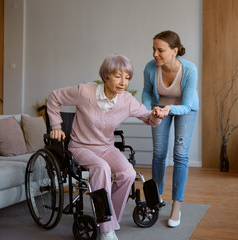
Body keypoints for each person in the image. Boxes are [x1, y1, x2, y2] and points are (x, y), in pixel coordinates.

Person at [47, 54, 162, 240]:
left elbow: (149, 118)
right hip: (81, 147)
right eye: (118, 76)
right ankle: (107, 229)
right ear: (106, 75)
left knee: (128, 173)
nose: (123, 82)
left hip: (106, 148)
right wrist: (56, 126)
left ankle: (108, 218)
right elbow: (54, 97)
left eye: (127, 78)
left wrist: (156, 115)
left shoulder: (126, 100)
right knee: (101, 168)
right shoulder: (84, 91)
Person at [142, 30, 199, 228]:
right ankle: (156, 199)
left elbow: (188, 104)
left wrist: (170, 109)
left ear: (174, 51)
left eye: (160, 50)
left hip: (185, 108)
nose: (155, 54)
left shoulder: (189, 69)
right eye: (153, 50)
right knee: (159, 153)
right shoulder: (150, 68)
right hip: (160, 108)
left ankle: (177, 205)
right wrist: (149, 110)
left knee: (180, 154)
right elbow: (147, 93)